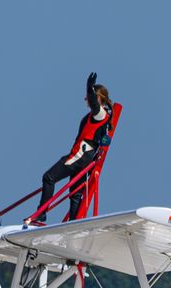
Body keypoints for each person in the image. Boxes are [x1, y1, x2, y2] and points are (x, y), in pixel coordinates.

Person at [27, 72, 113, 224]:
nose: (85, 99)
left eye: (88, 96)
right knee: (75, 193)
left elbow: (93, 102)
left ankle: (41, 214)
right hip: (84, 158)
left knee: (49, 177)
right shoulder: (95, 115)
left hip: (80, 155)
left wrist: (89, 87)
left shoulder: (100, 114)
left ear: (98, 98)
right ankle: (73, 223)